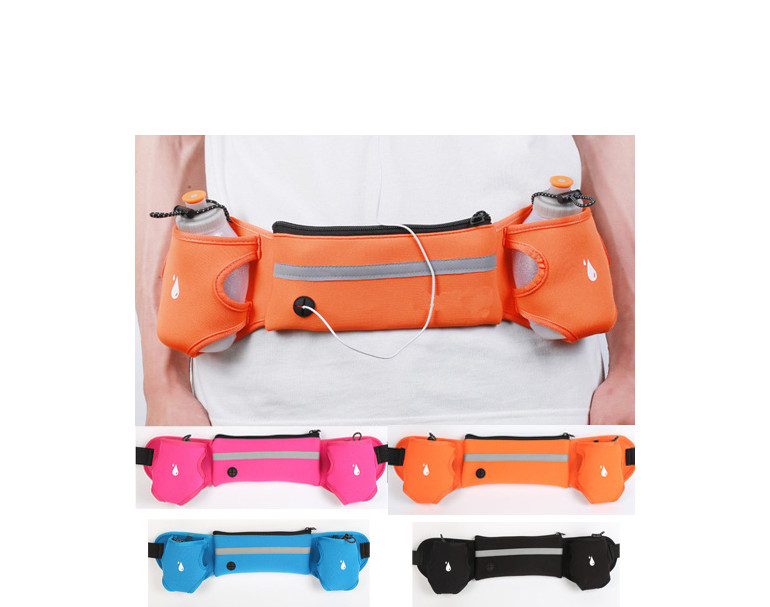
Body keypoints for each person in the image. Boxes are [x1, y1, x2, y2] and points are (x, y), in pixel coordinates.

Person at [136, 135, 634, 426]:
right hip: (255, 411)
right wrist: (162, 385)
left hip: (533, 400)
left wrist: (635, 368)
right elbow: (170, 141)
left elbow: (608, 137)